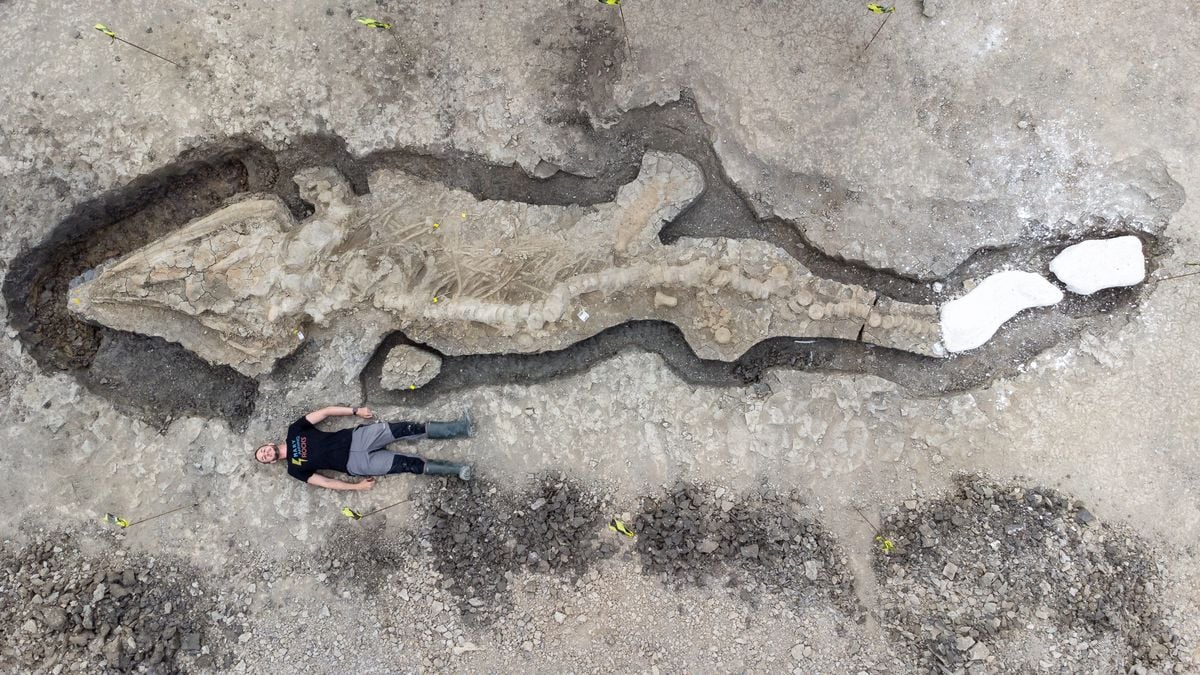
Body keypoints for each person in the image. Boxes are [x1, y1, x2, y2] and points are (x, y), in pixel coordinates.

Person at [254, 405, 472, 490]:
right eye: (264, 458)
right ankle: (459, 470)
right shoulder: (294, 469)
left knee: (407, 428)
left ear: (269, 444)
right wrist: (356, 487)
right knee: (408, 464)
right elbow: (326, 482)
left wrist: (355, 411)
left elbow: (325, 412)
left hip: (358, 439)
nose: (265, 453)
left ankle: (461, 428)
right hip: (357, 463)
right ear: (272, 461)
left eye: (262, 450)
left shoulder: (295, 430)